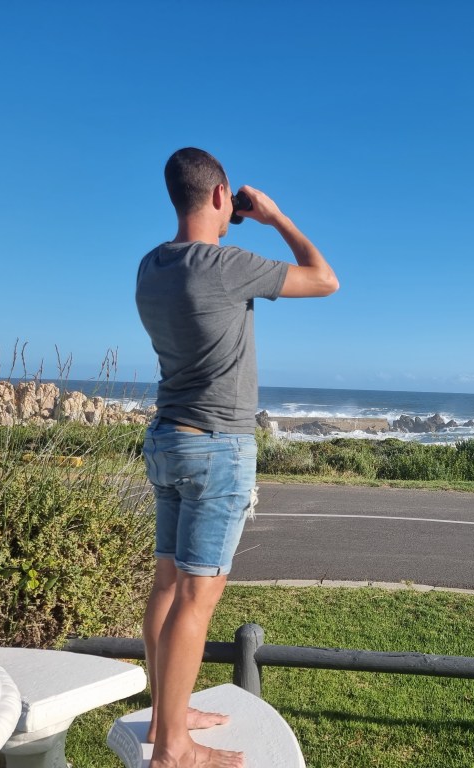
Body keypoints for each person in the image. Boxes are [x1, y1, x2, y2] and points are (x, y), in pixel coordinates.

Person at [135, 147, 338, 768]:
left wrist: (229, 222)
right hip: (216, 446)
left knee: (167, 585)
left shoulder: (151, 266)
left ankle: (166, 718)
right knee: (198, 598)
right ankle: (174, 747)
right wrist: (276, 218)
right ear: (222, 195)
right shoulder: (227, 266)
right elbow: (324, 279)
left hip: (168, 438)